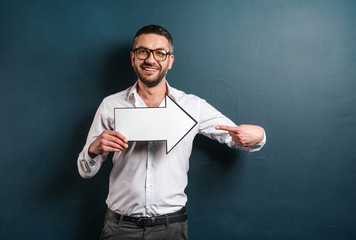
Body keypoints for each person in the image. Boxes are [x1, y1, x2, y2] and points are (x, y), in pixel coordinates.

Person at [77, 24, 266, 240]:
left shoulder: (192, 106)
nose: (150, 59)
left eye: (160, 53)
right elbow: (85, 171)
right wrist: (93, 149)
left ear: (170, 61)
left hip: (171, 228)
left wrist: (258, 134)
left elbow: (238, 138)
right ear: (133, 58)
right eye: (143, 51)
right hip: (119, 227)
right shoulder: (110, 105)